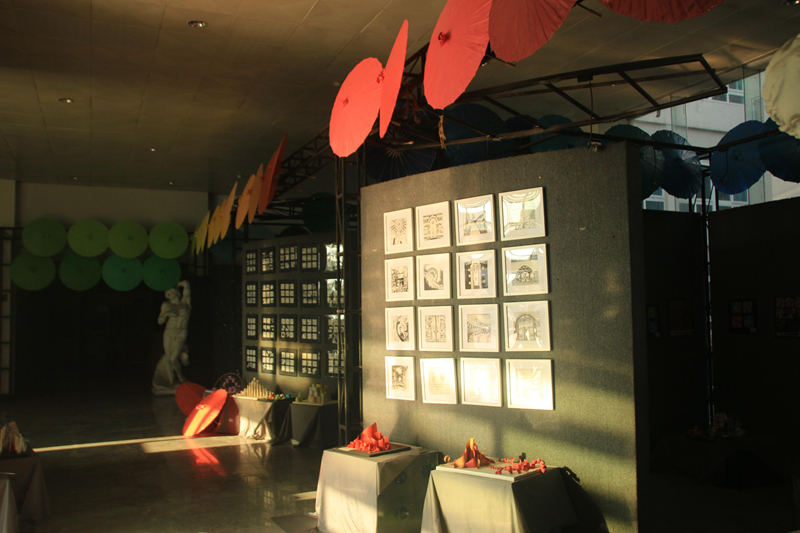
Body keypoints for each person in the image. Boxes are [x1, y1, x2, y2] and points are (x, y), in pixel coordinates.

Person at [152, 280, 191, 394]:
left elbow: (186, 284)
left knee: (173, 357)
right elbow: (160, 321)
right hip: (169, 332)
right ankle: (171, 381)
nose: (168, 295)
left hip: (181, 332)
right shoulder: (166, 305)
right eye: (167, 293)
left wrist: (174, 283)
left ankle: (181, 377)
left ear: (177, 293)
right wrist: (167, 314)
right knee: (169, 358)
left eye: (170, 292)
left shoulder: (185, 303)